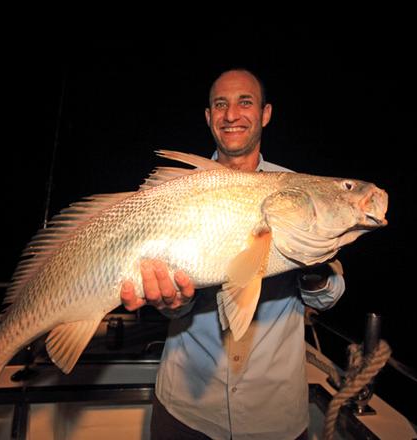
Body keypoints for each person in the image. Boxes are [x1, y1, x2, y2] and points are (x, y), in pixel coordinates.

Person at [120, 68, 345, 440]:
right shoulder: (180, 189)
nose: (232, 114)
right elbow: (172, 299)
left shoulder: (296, 189)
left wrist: (314, 268)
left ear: (265, 113)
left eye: (245, 102)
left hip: (273, 415)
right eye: (220, 104)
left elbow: (328, 294)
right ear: (209, 117)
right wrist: (170, 304)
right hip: (186, 408)